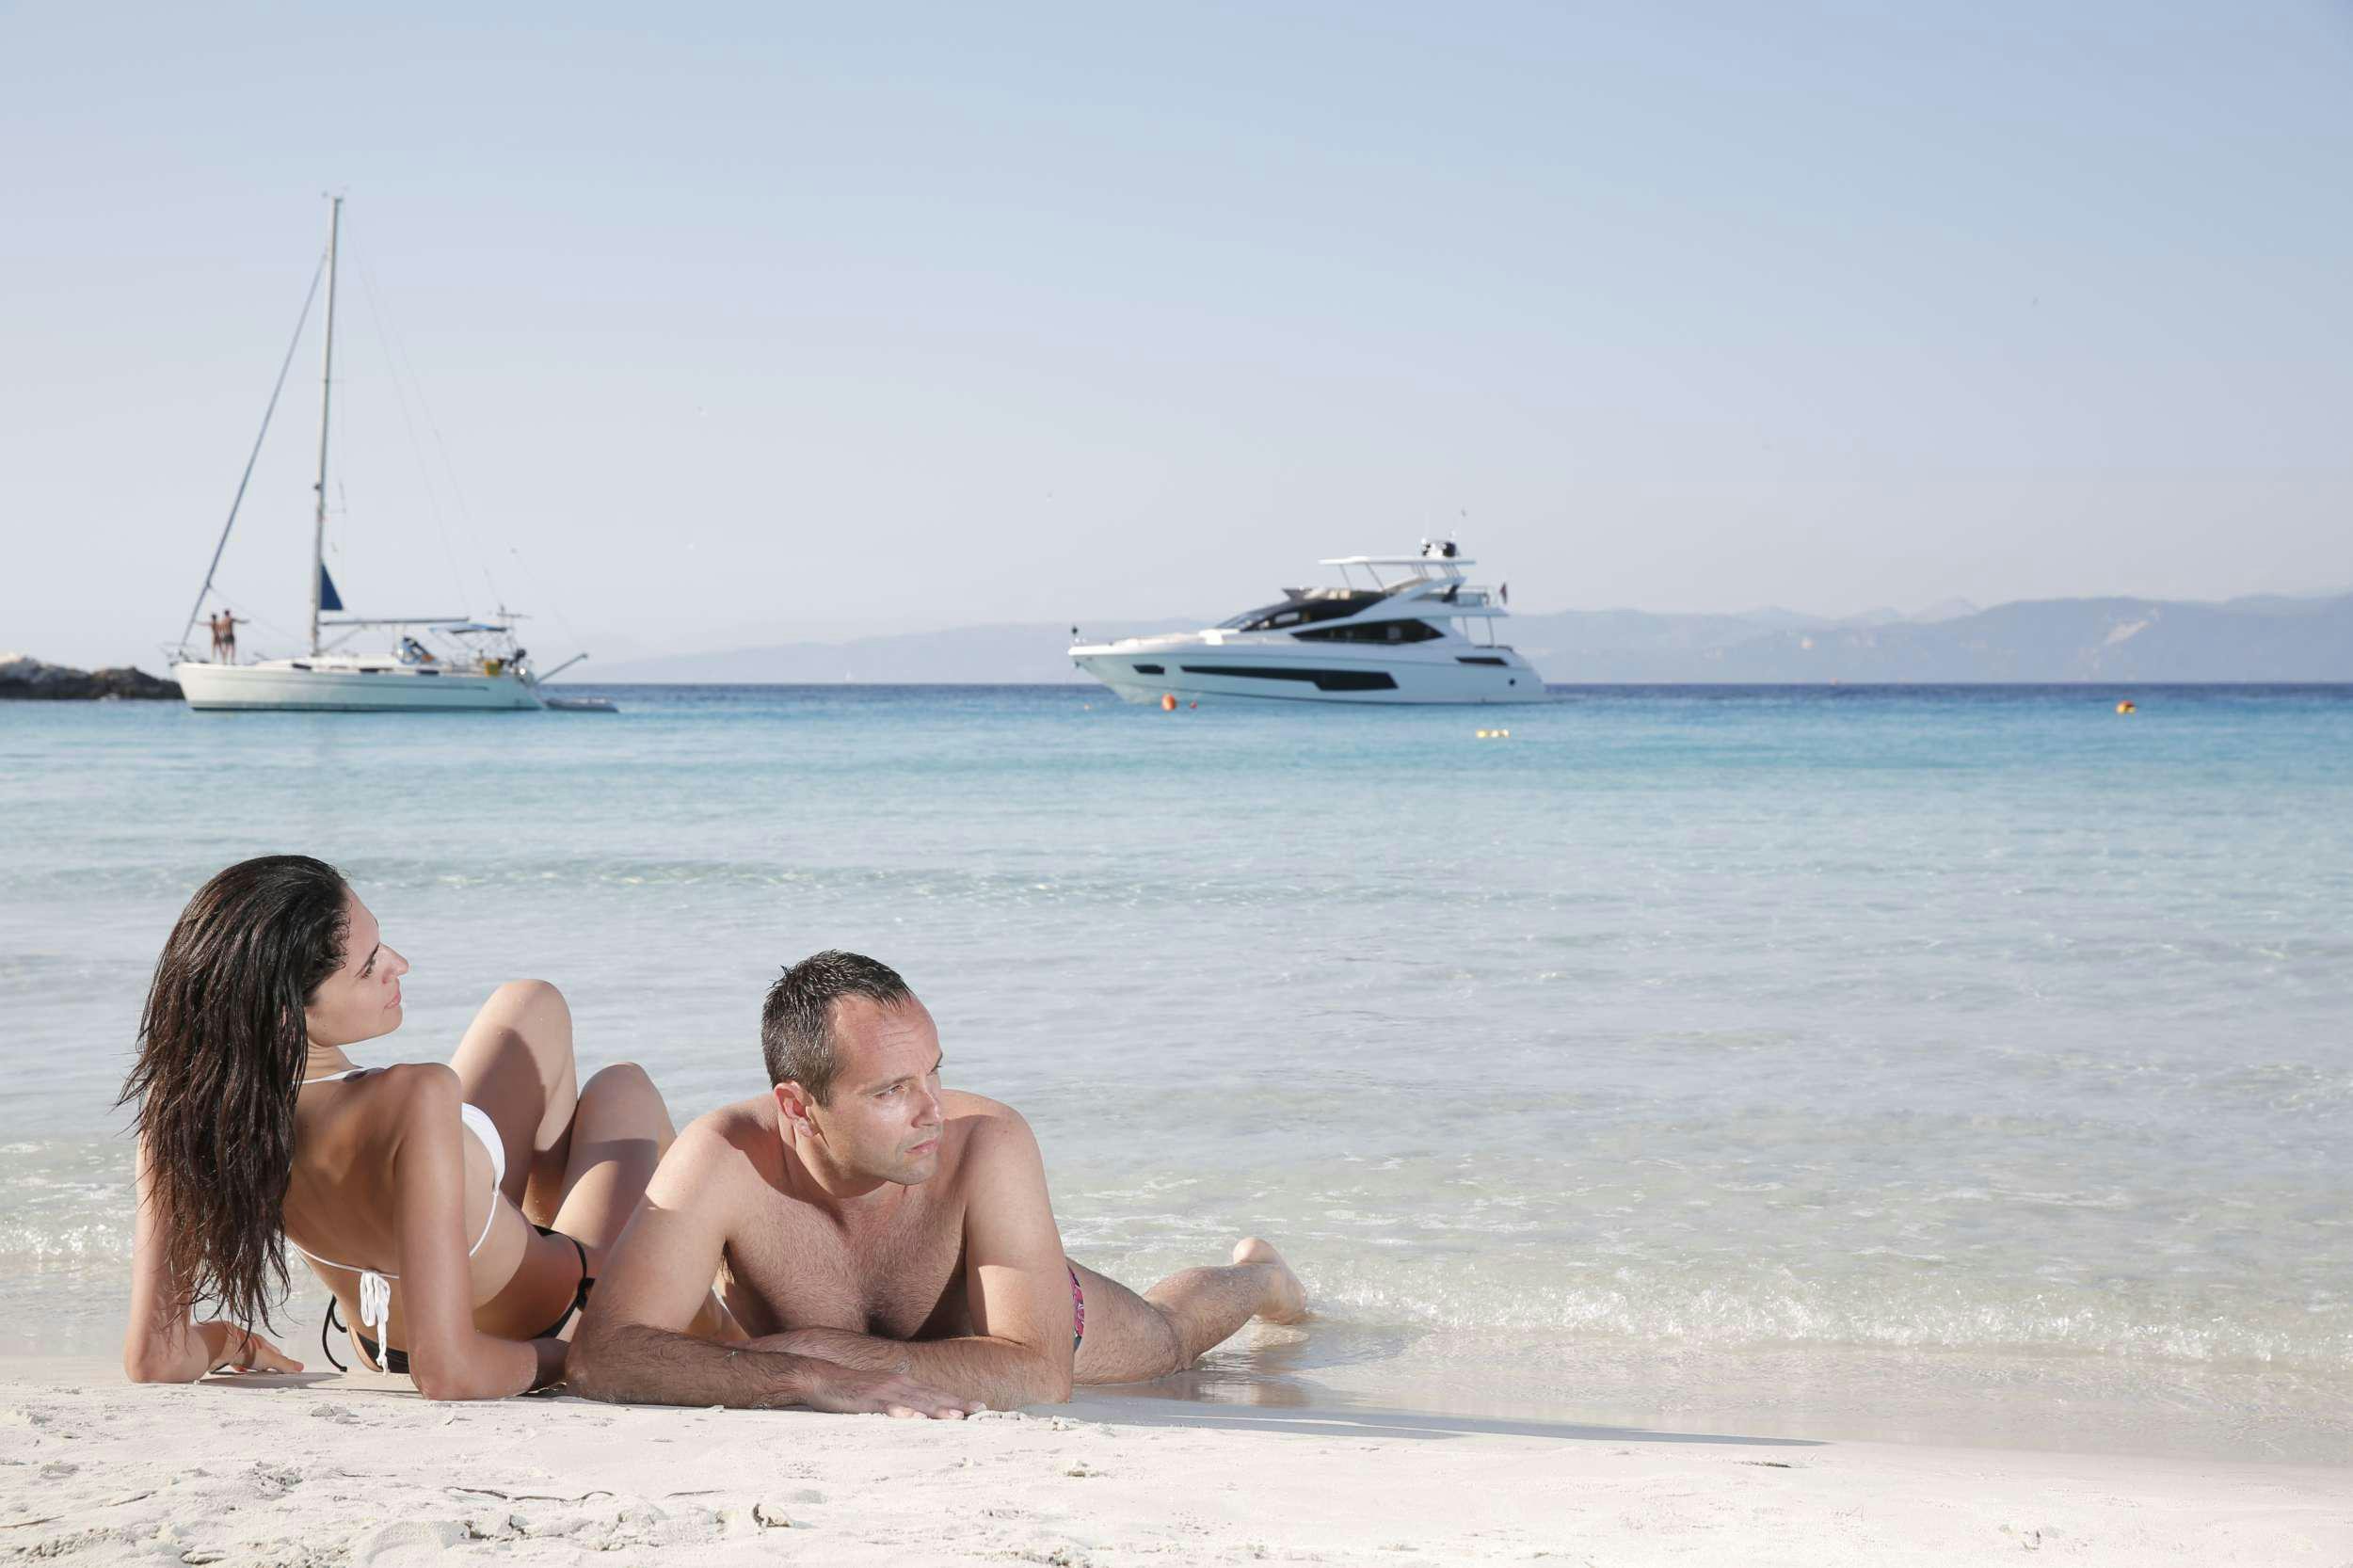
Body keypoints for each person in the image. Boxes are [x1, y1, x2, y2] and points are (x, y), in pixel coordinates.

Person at [118, 855, 759, 1401]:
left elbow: (155, 1358)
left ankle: (521, 1242)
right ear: (288, 1013)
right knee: (624, 1089)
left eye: (382, 942)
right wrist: (580, 1354)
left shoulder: (190, 1116)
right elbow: (449, 1371)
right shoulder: (415, 1093)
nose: (400, 964)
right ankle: (735, 1332)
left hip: (379, 1340)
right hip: (550, 1319)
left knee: (530, 1001)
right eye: (370, 965)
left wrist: (228, 1337)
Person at [567, 951, 1309, 1415]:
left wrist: (814, 1352)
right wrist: (801, 1375)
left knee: (1170, 1340)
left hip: (1039, 1321)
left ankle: (1261, 1276)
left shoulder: (989, 1141)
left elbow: (1039, 1376)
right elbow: (602, 1356)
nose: (934, 1111)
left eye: (936, 1071)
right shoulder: (723, 1157)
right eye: (892, 1090)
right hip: (899, 1355)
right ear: (798, 1105)